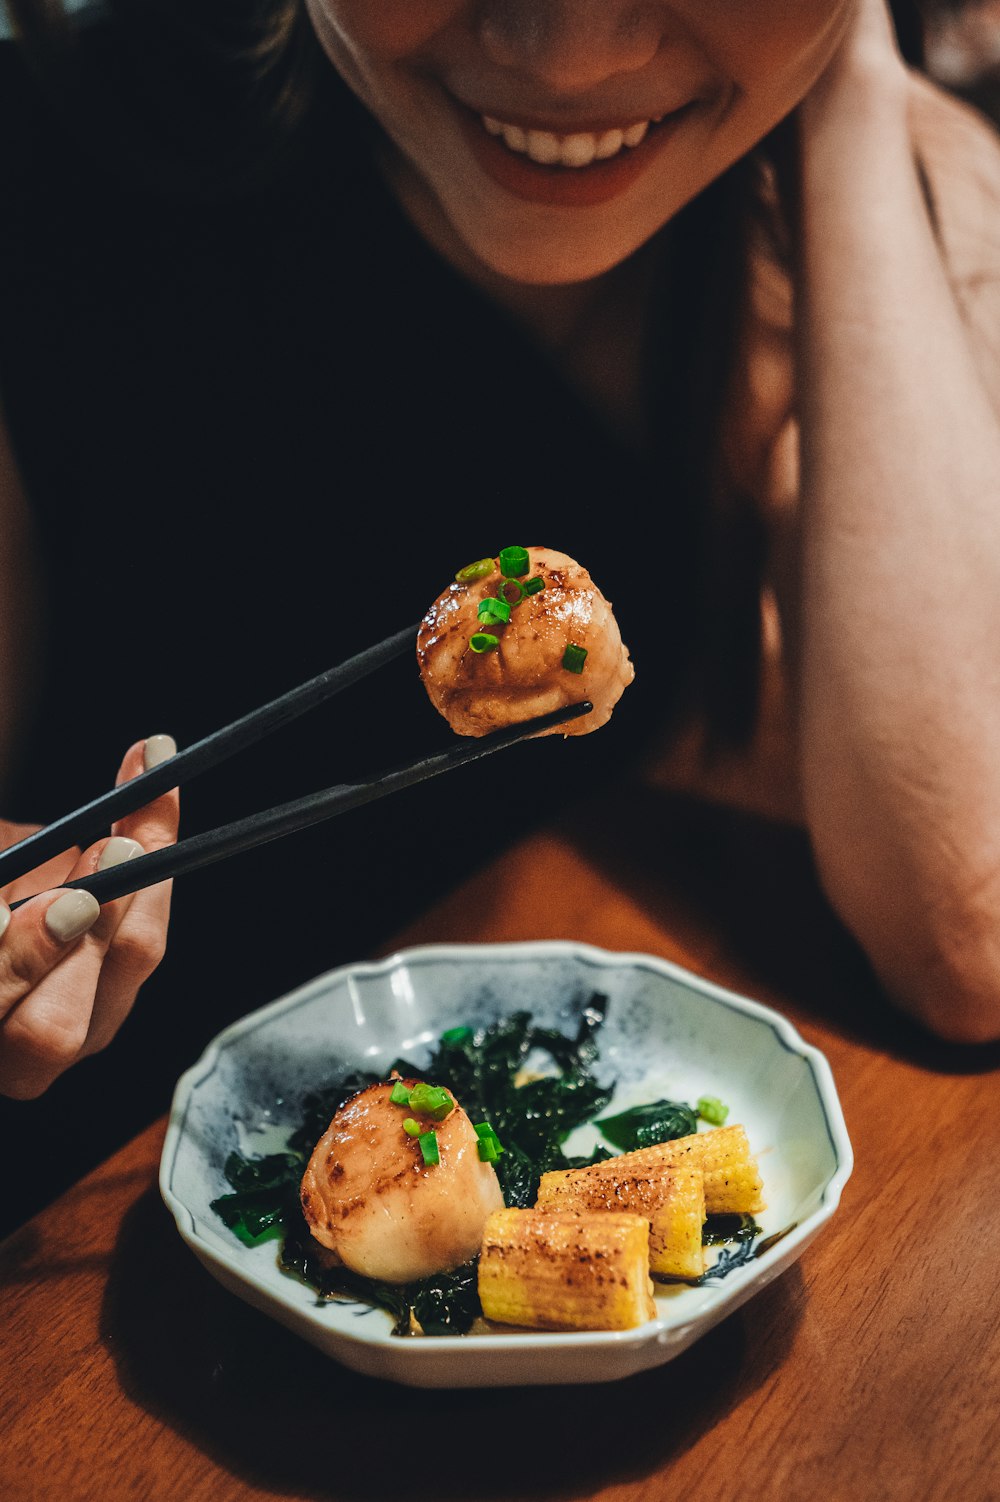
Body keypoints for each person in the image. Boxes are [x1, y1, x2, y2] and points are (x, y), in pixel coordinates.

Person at [1, 0, 999, 1228]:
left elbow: (971, 930)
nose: (574, 54)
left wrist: (841, 74)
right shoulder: (50, 164)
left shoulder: (887, 203)